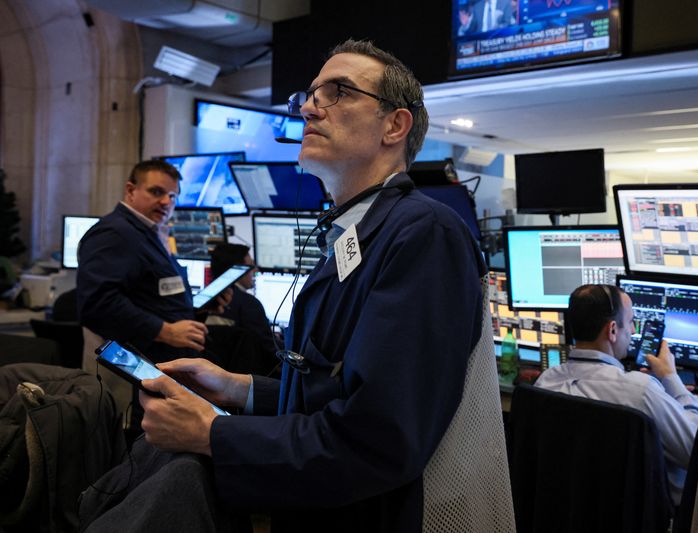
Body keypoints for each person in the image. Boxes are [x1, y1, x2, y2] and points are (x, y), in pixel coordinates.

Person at [134, 39, 514, 532]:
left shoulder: (425, 234)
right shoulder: (356, 234)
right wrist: (240, 390)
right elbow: (337, 395)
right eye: (309, 95)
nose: (310, 107)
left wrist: (213, 435)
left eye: (338, 91)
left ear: (394, 125)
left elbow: (378, 439)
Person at [534, 284, 698, 505]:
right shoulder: (640, 392)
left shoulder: (545, 383)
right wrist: (671, 378)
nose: (633, 331)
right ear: (612, 330)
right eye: (631, 321)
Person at [77, 160, 209, 363]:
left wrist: (201, 306)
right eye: (157, 192)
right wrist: (165, 331)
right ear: (131, 190)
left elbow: (154, 294)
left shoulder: (147, 232)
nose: (167, 202)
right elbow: (98, 304)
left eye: (172, 196)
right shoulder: (115, 233)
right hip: (133, 367)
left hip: (158, 362)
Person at [207, 242, 280, 351]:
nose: (255, 270)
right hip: (242, 367)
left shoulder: (203, 302)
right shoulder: (249, 304)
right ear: (238, 270)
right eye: (251, 266)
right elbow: (269, 349)